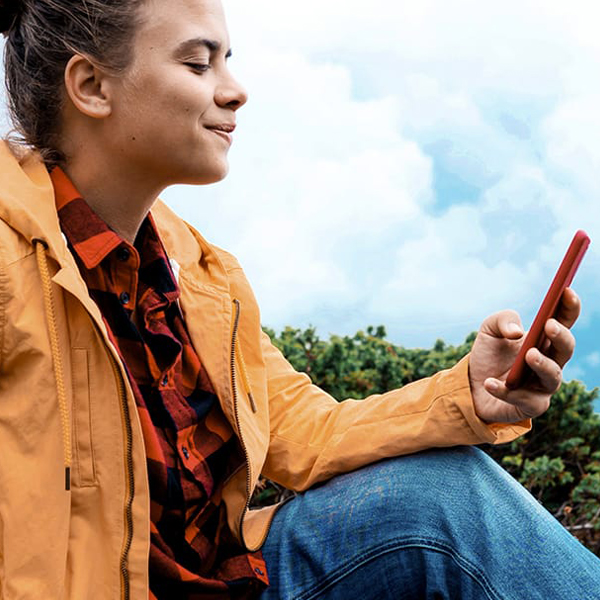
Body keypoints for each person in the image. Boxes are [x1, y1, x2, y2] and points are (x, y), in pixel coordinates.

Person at [0, 0, 598, 598]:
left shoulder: (201, 276)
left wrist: (469, 390)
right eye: (198, 64)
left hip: (230, 581)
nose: (235, 92)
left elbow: (305, 432)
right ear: (91, 85)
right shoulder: (10, 265)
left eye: (227, 61)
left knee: (442, 496)